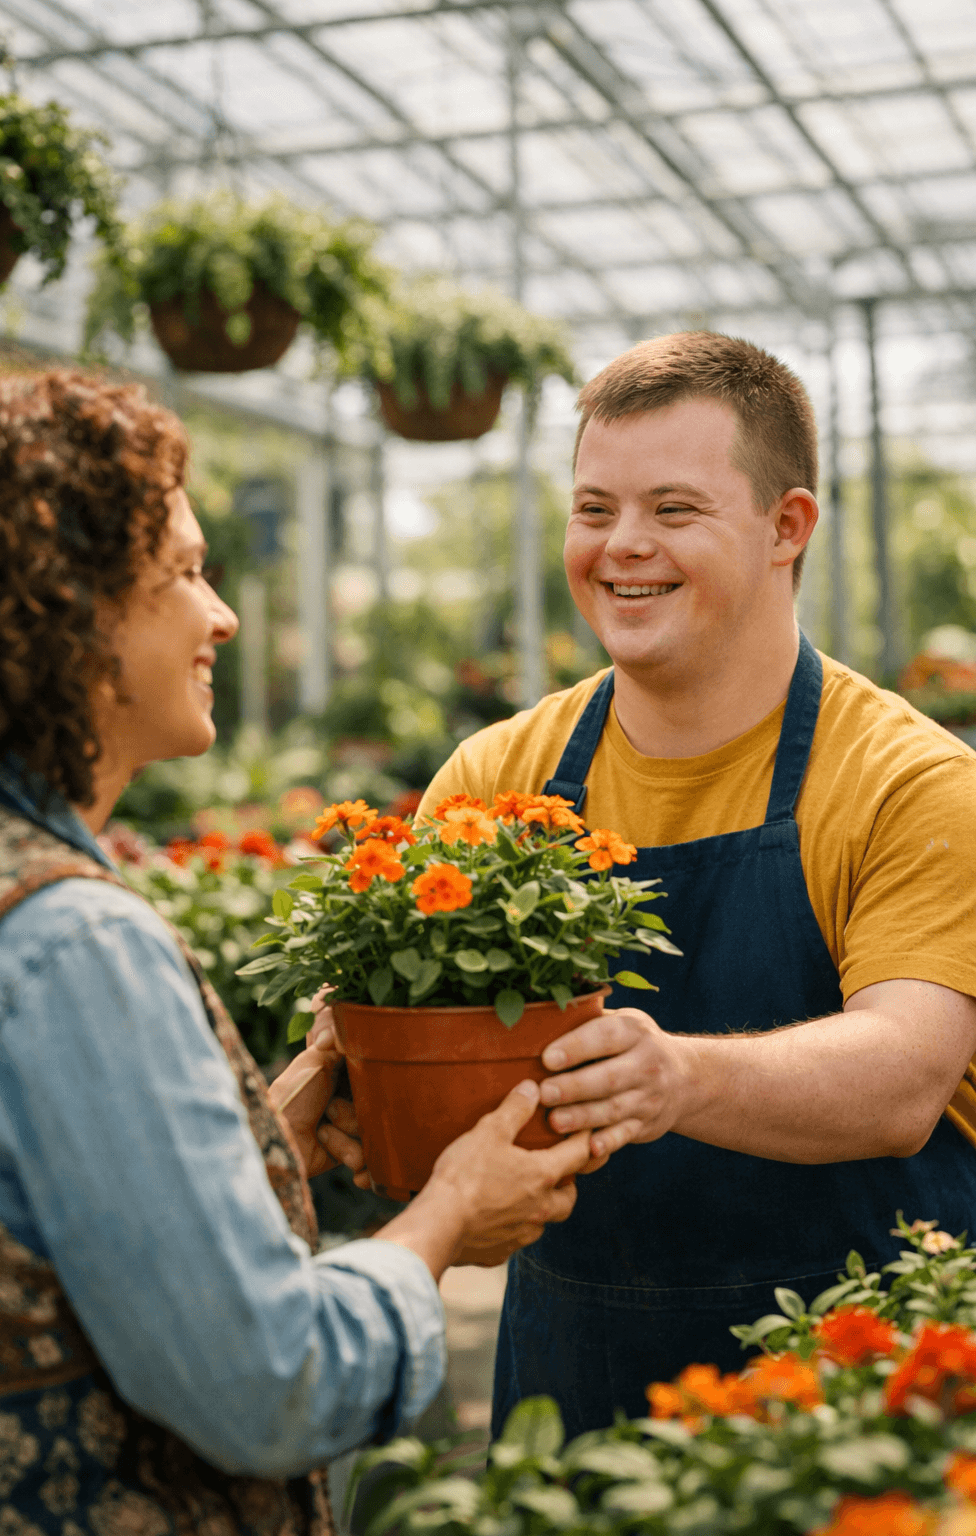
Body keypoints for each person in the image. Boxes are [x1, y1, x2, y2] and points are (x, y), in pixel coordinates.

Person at [0, 370, 594, 1535]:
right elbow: (269, 1382)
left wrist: (271, 1132)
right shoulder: (68, 941)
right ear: (67, 612)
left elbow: (21, 1235)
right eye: (185, 574)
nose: (223, 616)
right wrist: (444, 1217)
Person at [417, 331, 976, 1439]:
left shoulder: (909, 781)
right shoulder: (495, 779)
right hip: (573, 1383)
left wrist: (669, 1079)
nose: (622, 547)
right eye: (593, 509)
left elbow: (906, 1074)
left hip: (856, 1404)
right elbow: (408, 1052)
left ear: (787, 527)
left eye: (674, 510)